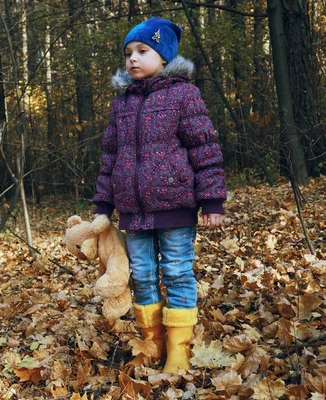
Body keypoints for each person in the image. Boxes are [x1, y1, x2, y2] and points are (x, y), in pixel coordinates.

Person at [92, 16, 227, 373]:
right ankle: (151, 341)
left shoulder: (183, 94)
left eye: (142, 50)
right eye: (128, 53)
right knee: (142, 274)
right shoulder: (121, 103)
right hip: (132, 211)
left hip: (176, 206)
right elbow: (110, 157)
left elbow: (204, 147)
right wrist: (103, 205)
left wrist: (212, 200)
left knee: (178, 271)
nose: (132, 59)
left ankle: (179, 347)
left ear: (164, 57)